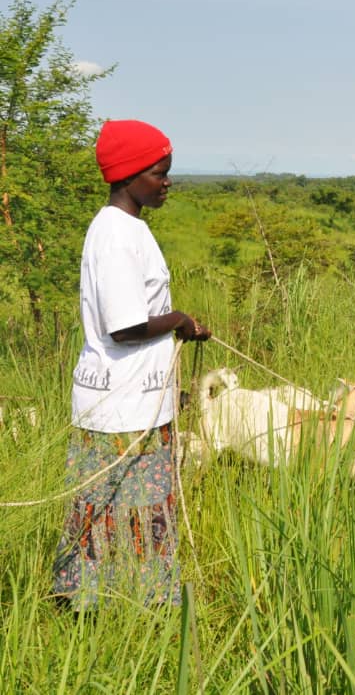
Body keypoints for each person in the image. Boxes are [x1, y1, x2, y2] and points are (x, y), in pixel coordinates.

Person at [53, 119, 211, 612]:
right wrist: (180, 319)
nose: (167, 183)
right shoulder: (118, 236)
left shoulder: (125, 227)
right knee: (131, 509)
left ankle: (95, 603)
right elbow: (124, 326)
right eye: (159, 173)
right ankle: (136, 607)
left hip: (127, 401)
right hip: (124, 408)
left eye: (168, 172)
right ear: (127, 175)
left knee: (110, 508)